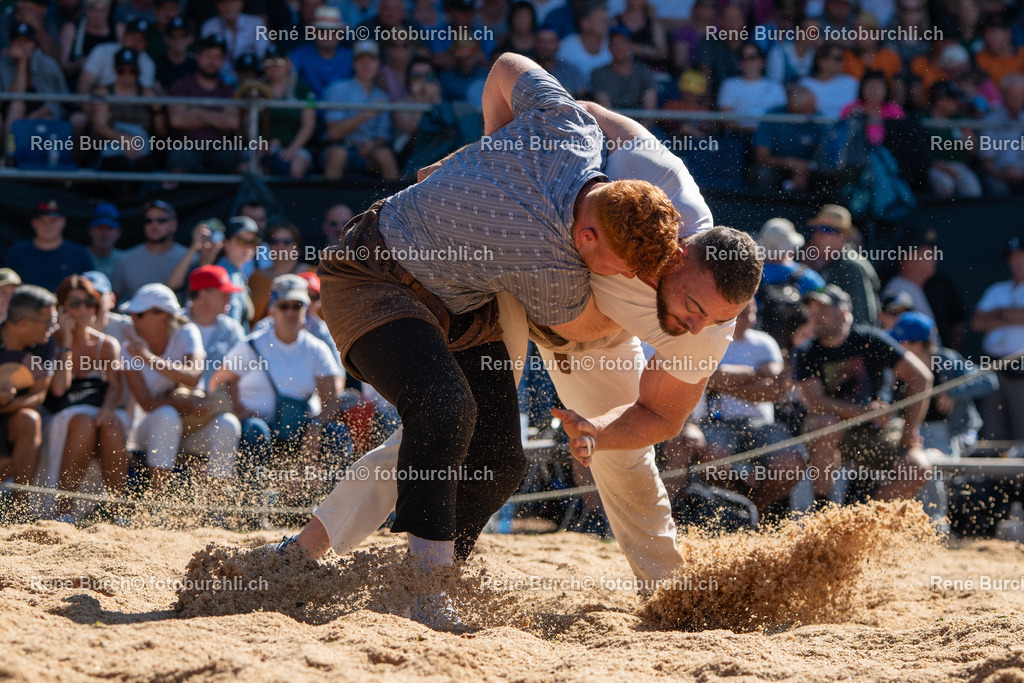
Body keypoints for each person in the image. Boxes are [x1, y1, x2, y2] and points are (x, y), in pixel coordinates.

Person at [261, 92, 760, 615]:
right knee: (442, 424)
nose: (698, 327)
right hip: (515, 294)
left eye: (717, 320)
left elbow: (661, 415)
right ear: (677, 253)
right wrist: (473, 160)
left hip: (595, 340)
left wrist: (598, 431)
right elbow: (574, 113)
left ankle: (667, 595)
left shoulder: (706, 329)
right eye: (694, 308)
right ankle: (307, 550)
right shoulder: (657, 174)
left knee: (626, 460)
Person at [210, 275, 350, 501]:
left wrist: (317, 425)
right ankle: (252, 505)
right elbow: (218, 382)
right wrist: (238, 409)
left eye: (297, 305)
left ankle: (333, 506)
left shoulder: (317, 349)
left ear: (306, 308)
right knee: (255, 430)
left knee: (337, 434)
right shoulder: (252, 344)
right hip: (261, 425)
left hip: (301, 426)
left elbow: (332, 399)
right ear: (273, 308)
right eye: (284, 306)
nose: (290, 312)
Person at [795, 284, 933, 506]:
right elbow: (815, 403)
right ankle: (823, 510)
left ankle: (864, 517)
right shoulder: (807, 352)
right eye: (811, 311)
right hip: (833, 429)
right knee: (825, 425)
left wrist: (909, 432)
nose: (815, 317)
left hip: (880, 429)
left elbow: (921, 377)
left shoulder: (871, 339)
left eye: (822, 310)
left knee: (918, 469)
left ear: (843, 313)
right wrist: (864, 412)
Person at [119, 283, 240, 494]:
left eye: (139, 314)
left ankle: (216, 504)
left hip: (189, 424)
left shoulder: (186, 332)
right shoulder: (127, 349)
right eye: (132, 315)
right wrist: (182, 404)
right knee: (166, 415)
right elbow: (146, 403)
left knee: (228, 424)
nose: (133, 319)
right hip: (148, 430)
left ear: (163, 316)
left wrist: (148, 358)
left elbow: (193, 377)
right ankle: (160, 500)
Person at [698, 300, 805, 518]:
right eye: (741, 314)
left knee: (791, 463)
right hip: (719, 422)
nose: (747, 320)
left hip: (761, 423)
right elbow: (706, 380)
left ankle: (754, 509)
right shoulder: (708, 342)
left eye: (751, 313)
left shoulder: (765, 343)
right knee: (711, 459)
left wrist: (725, 382)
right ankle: (741, 509)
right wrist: (754, 374)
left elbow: (775, 391)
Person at [44, 275, 130, 525]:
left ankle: (118, 510)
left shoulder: (106, 344)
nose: (83, 309)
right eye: (75, 303)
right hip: (59, 413)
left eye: (89, 302)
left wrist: (108, 408)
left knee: (111, 424)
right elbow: (58, 389)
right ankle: (64, 508)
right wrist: (66, 343)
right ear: (62, 308)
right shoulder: (49, 341)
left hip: (96, 409)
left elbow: (116, 387)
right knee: (84, 422)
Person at [322, 40, 399, 181]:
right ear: (354, 63)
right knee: (338, 154)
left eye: (371, 60)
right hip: (339, 146)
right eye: (361, 60)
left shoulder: (382, 96)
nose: (366, 64)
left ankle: (396, 197)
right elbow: (334, 133)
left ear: (378, 64)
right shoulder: (337, 89)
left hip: (369, 151)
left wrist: (373, 144)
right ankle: (329, 196)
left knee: (385, 155)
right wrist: (367, 113)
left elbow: (383, 136)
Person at [971, 236, 1024, 441]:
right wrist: (1012, 315)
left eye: (1021, 256)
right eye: (1013, 257)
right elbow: (977, 322)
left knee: (1021, 432)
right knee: (992, 432)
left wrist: (997, 314)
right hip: (994, 369)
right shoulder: (997, 289)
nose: (1016, 261)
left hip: (1021, 370)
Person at [166, 34, 242, 175]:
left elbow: (232, 122)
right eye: (208, 56)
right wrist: (217, 118)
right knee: (179, 159)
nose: (212, 62)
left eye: (217, 57)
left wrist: (196, 113)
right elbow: (177, 120)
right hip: (187, 146)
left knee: (234, 157)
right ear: (198, 56)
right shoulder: (181, 86)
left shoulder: (227, 89)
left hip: (219, 147)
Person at [801, 204, 882, 326]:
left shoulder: (853, 267)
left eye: (825, 230)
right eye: (816, 229)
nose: (817, 236)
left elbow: (862, 321)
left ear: (842, 236)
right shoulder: (830, 264)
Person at [89, 47, 166, 172]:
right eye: (121, 70)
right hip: (112, 145)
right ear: (115, 70)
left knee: (144, 165)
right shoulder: (104, 92)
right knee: (118, 164)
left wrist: (157, 108)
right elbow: (100, 126)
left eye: (132, 70)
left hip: (143, 147)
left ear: (138, 71)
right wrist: (126, 139)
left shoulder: (147, 93)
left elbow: (161, 132)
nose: (127, 75)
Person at [5, 201, 93, 293]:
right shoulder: (17, 253)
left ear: (63, 221)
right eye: (42, 220)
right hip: (26, 302)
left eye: (53, 220)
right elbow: (7, 289)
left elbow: (89, 291)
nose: (47, 225)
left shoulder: (80, 254)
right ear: (33, 222)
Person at [111, 200, 190, 301]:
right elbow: (113, 301)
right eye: (148, 220)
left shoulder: (191, 259)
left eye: (161, 220)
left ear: (174, 225)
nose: (154, 225)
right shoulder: (125, 260)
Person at [259, 44, 316, 179]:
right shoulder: (256, 90)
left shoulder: (304, 90)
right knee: (249, 167)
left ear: (289, 63)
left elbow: (309, 125)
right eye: (269, 62)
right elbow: (247, 122)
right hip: (261, 146)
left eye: (279, 61)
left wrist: (292, 149)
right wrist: (258, 144)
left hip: (295, 146)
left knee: (296, 167)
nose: (274, 66)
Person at [753, 85, 825, 192]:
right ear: (792, 107)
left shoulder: (818, 118)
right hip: (778, 166)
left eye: (814, 103)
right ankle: (765, 200)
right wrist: (790, 163)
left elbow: (823, 152)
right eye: (808, 106)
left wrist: (806, 168)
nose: (815, 108)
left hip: (808, 167)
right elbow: (761, 157)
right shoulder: (773, 117)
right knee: (764, 173)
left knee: (825, 174)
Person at [0, 22, 69, 132]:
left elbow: (58, 101)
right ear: (10, 43)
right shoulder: (3, 64)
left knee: (47, 117)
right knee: (17, 106)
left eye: (27, 41)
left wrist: (31, 118)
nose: (22, 46)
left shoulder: (47, 64)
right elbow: (16, 96)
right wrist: (22, 64)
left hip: (42, 112)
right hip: (9, 113)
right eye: (18, 41)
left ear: (34, 44)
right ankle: (10, 143)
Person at [185, 265, 244, 386]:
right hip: (179, 396)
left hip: (219, 396)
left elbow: (243, 370)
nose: (229, 299)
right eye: (224, 294)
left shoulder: (232, 329)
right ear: (203, 294)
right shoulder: (175, 324)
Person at [249, 222, 313, 323]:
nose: (280, 246)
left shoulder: (315, 275)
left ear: (298, 247)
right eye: (275, 241)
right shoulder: (255, 277)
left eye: (287, 242)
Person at [717, 43, 787, 132]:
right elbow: (727, 121)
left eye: (752, 57)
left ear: (762, 61)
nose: (748, 62)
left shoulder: (776, 86)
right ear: (739, 63)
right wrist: (757, 131)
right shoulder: (729, 85)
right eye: (743, 58)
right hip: (739, 135)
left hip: (770, 135)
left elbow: (781, 117)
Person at [77, 18, 156, 96]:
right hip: (100, 102)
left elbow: (146, 95)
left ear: (146, 44)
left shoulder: (148, 63)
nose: (135, 42)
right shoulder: (101, 51)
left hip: (130, 103)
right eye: (133, 37)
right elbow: (83, 87)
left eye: (141, 40)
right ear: (124, 36)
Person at [288, 6, 352, 99]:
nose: (327, 35)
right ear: (314, 33)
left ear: (340, 34)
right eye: (322, 30)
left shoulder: (350, 57)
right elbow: (289, 82)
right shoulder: (300, 55)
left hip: (343, 107)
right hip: (308, 106)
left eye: (333, 31)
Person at [590, 27, 657, 112]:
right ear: (609, 47)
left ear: (631, 46)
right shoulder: (599, 74)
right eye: (614, 43)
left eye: (622, 43)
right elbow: (606, 112)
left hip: (639, 120)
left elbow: (650, 111)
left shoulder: (644, 71)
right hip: (611, 119)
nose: (618, 47)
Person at [199, 0, 267, 85]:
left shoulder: (256, 23)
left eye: (233, 2)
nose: (228, 7)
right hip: (218, 78)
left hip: (249, 76)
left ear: (241, 4)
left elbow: (263, 54)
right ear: (218, 6)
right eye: (224, 3)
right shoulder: (209, 26)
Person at [555, 1, 611, 90]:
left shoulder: (614, 45)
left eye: (607, 21)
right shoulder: (567, 48)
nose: (607, 25)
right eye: (601, 21)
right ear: (585, 23)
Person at [799, 43, 859, 119]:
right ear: (821, 61)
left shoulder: (851, 82)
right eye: (838, 58)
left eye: (843, 59)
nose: (843, 62)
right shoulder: (805, 84)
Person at [153, 15, 195, 92]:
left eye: (183, 36)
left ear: (191, 38)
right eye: (173, 36)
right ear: (165, 38)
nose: (178, 40)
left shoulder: (196, 64)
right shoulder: (156, 63)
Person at [86, 203, 124, 281]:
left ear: (119, 232)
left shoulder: (126, 260)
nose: (104, 233)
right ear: (90, 230)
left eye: (110, 228)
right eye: (99, 227)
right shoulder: (78, 258)